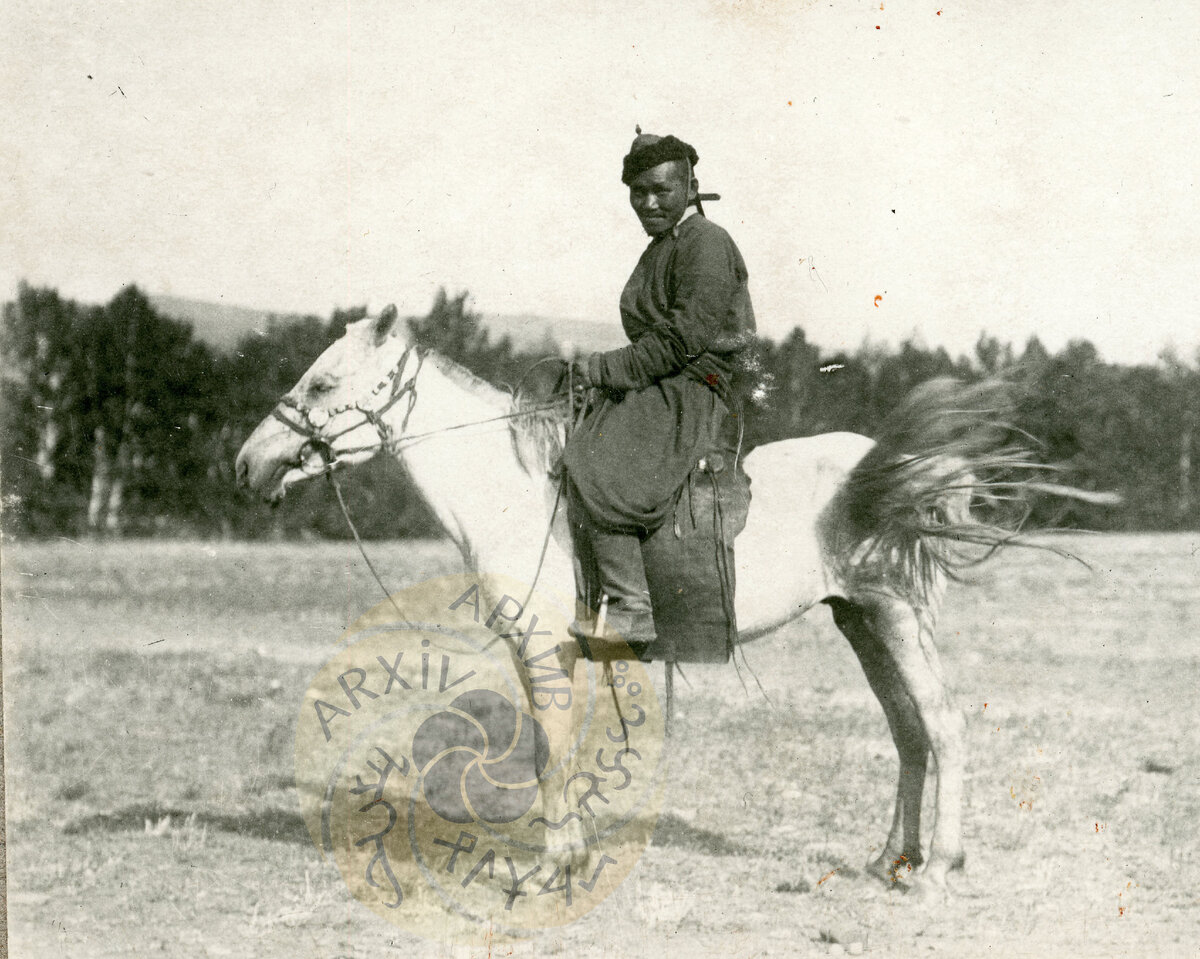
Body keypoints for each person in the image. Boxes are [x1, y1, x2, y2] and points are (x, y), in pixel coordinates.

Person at [563, 129, 756, 646]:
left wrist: (603, 369)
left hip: (698, 384)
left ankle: (631, 605)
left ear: (689, 187)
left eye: (661, 190)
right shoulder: (664, 246)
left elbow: (682, 339)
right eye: (637, 191)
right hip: (668, 378)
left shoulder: (706, 243)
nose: (648, 202)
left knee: (597, 456)